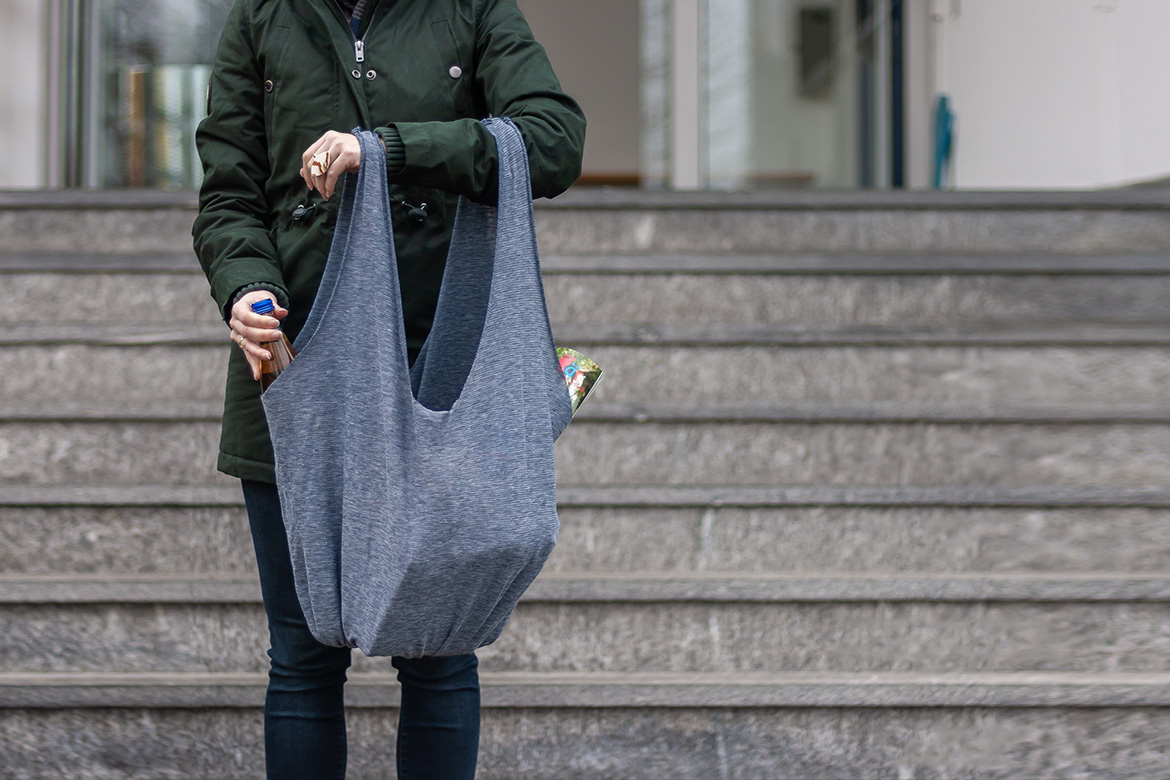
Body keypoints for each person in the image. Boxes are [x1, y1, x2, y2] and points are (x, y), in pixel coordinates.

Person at [190, 1, 586, 777]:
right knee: (302, 659)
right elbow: (229, 195)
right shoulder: (261, 16)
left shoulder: (471, 9)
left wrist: (392, 151)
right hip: (298, 372)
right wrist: (245, 287)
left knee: (439, 653)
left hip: (439, 373)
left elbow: (555, 142)